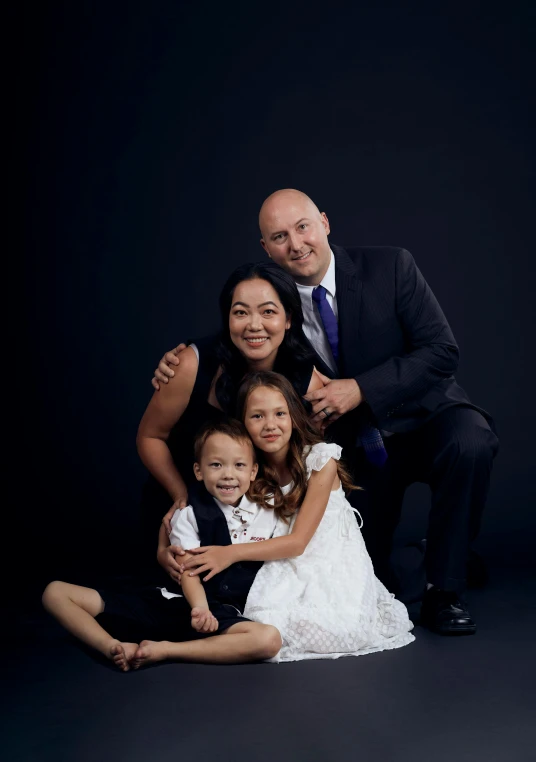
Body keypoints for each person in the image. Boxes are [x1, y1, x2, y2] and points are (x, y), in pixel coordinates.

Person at [152, 188, 499, 635]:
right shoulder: (276, 301)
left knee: (470, 442)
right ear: (266, 248)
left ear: (325, 223)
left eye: (303, 227)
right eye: (279, 237)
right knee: (362, 575)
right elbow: (243, 334)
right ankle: (431, 553)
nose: (296, 244)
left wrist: (359, 388)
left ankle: (445, 589)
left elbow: (441, 351)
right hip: (352, 442)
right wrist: (178, 361)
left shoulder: (391, 266)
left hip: (426, 414)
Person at [180, 371, 415, 661]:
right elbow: (203, 507)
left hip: (325, 558)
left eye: (280, 413)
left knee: (334, 627)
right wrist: (168, 547)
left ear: (293, 417)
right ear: (243, 423)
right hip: (279, 562)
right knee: (262, 619)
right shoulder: (248, 469)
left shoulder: (320, 460)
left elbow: (299, 542)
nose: (270, 425)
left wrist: (229, 554)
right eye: (257, 417)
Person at [42, 419, 282, 670]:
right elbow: (187, 569)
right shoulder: (189, 513)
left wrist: (207, 613)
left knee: (268, 639)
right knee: (55, 593)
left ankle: (166, 650)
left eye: (239, 465)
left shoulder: (267, 507)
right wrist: (199, 609)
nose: (228, 474)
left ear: (253, 471)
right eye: (216, 465)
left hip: (219, 612)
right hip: (175, 603)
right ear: (199, 471)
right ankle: (111, 646)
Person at [136, 259, 325, 579]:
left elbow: (310, 464)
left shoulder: (307, 383)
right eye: (240, 312)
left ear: (289, 318)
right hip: (180, 516)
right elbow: (149, 437)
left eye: (268, 311)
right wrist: (182, 496)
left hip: (255, 530)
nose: (254, 325)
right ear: (227, 318)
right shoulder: (189, 364)